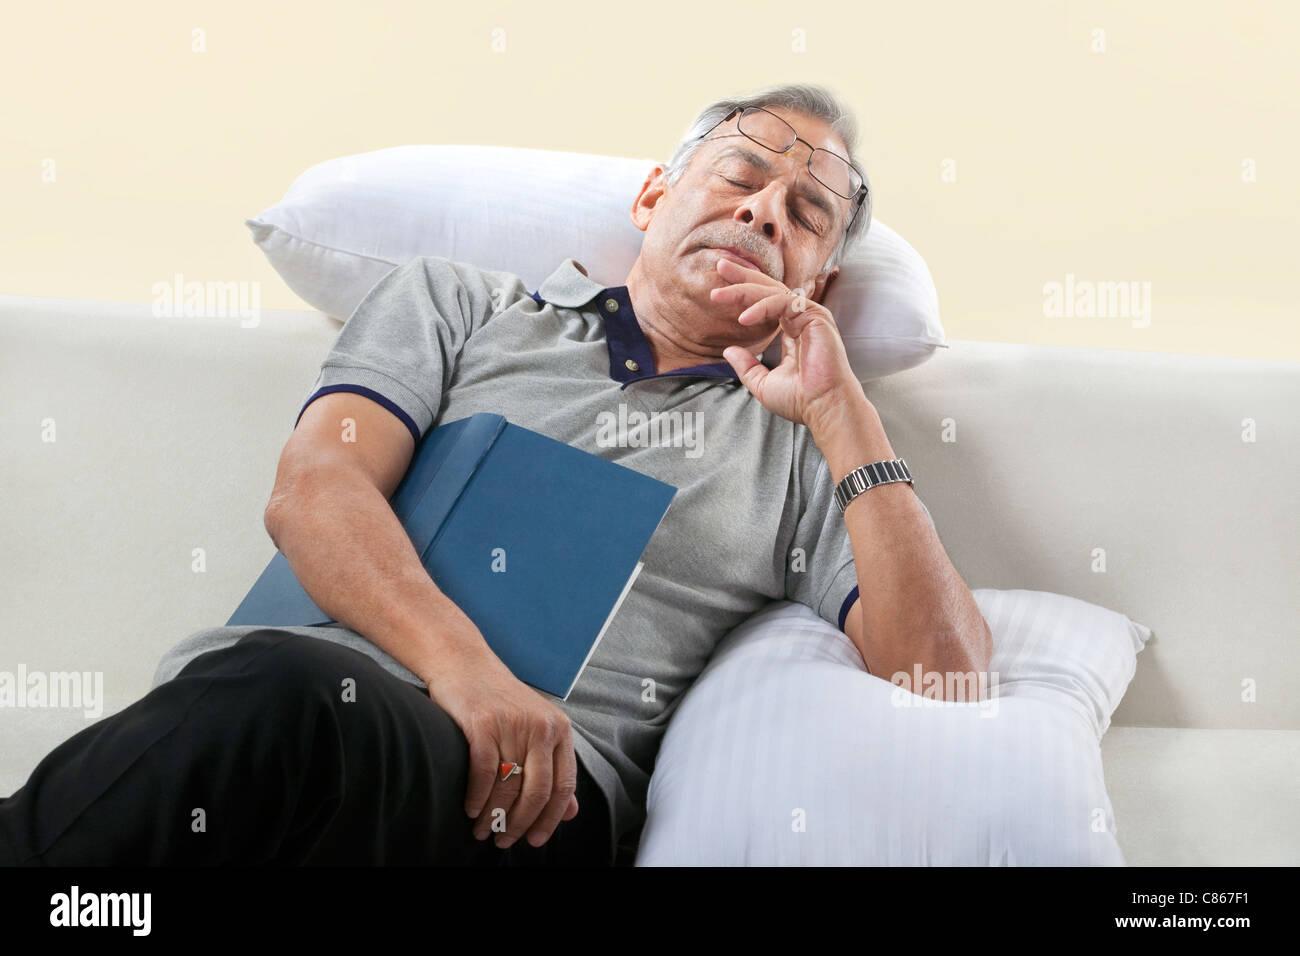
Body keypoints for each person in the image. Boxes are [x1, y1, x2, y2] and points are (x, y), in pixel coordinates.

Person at [0, 82, 991, 867]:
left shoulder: (807, 449)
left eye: (805, 211)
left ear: (814, 279)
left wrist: (843, 412)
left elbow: (941, 671)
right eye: (740, 172)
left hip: (527, 803)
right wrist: (466, 670)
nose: (764, 209)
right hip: (282, 722)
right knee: (277, 705)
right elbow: (316, 487)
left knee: (285, 698)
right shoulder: (460, 304)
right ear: (653, 195)